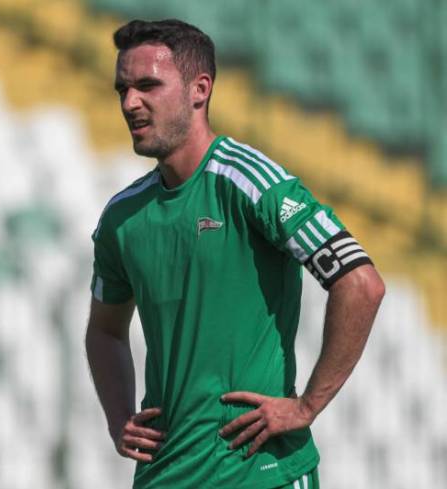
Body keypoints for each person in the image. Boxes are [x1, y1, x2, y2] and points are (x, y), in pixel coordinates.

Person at [84, 18, 385, 489]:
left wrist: (306, 406)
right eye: (123, 89)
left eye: (147, 86)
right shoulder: (122, 218)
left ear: (199, 89)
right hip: (164, 475)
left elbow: (361, 283)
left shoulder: (251, 183)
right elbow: (104, 330)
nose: (129, 103)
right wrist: (118, 417)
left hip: (261, 473)